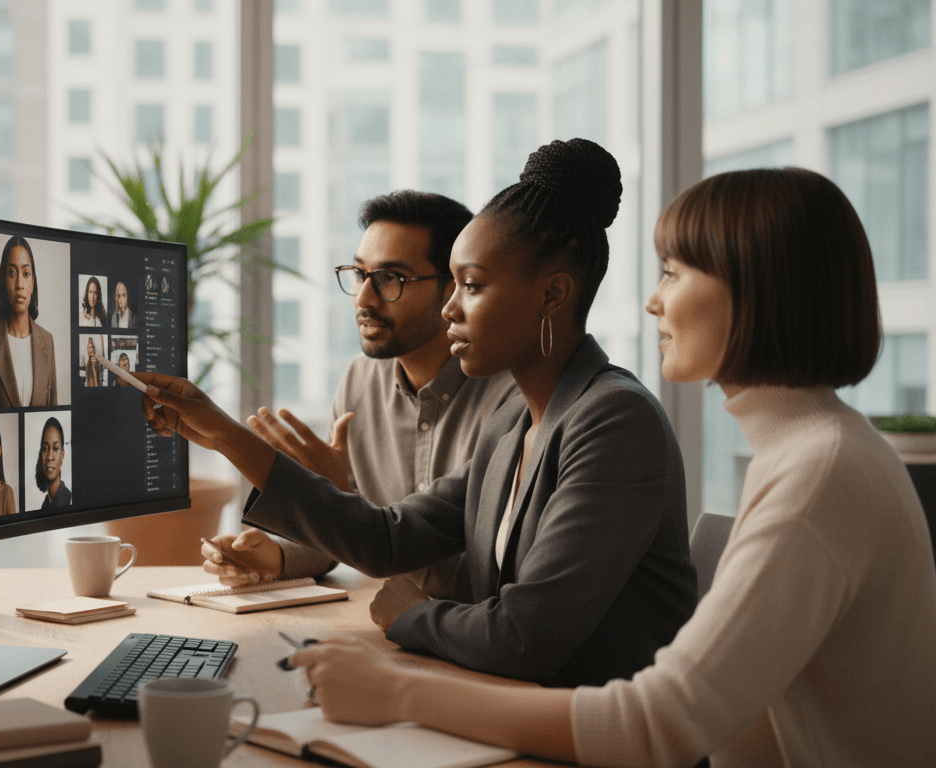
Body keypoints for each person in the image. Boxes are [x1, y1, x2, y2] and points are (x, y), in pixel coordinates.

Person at [288, 168, 936, 767]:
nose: (654, 302)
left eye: (674, 273)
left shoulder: (819, 470)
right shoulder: (813, 451)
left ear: (761, 288)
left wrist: (398, 691)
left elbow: (658, 722)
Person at [134, 139, 697, 687]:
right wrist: (225, 435)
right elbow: (389, 539)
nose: (450, 306)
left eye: (471, 286)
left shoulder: (614, 421)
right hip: (515, 710)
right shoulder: (517, 423)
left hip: (586, 741)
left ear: (553, 295)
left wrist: (409, 614)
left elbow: (524, 637)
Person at [202, 191, 517, 601]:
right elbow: (349, 534)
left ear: (451, 289)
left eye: (391, 279)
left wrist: (337, 499)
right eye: (358, 274)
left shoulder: (512, 400)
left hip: (467, 641)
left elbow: (403, 544)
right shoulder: (360, 380)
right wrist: (275, 556)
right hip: (388, 630)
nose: (364, 299)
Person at [0, 236, 58, 407]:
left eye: (26, 274)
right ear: (3, 279)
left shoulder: (47, 341)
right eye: (12, 273)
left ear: (33, 282)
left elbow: (53, 415)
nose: (19, 284)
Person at [36, 417, 72, 510]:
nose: (49, 457)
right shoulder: (45, 505)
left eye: (55, 448)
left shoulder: (69, 500)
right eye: (45, 448)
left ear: (62, 455)